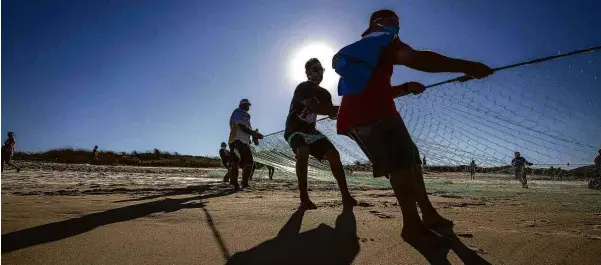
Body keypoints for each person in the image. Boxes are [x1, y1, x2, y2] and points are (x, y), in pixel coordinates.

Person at [335, 9, 493, 245]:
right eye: (390, 20)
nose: (396, 25)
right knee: (401, 167)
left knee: (413, 161)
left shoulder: (365, 51)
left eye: (398, 22)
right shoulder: (382, 40)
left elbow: (371, 90)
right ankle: (411, 224)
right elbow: (418, 59)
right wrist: (466, 66)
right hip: (375, 116)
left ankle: (427, 213)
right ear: (376, 24)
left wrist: (405, 88)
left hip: (367, 114)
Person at [284, 58, 358, 210]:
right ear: (308, 73)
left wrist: (346, 117)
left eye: (321, 69)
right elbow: (317, 108)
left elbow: (331, 113)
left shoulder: (325, 94)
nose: (318, 73)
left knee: (334, 155)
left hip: (311, 131)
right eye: (314, 70)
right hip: (294, 129)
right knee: (303, 151)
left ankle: (346, 195)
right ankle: (304, 197)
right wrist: (348, 108)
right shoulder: (302, 88)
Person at [228, 99, 263, 190]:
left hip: (245, 143)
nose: (248, 107)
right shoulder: (238, 112)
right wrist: (254, 134)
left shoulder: (246, 118)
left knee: (249, 164)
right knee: (235, 162)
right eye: (247, 105)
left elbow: (248, 131)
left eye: (249, 105)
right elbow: (241, 126)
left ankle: (245, 183)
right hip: (236, 140)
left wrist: (255, 136)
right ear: (242, 105)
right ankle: (235, 183)